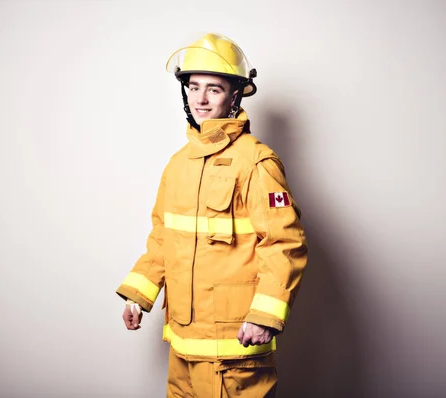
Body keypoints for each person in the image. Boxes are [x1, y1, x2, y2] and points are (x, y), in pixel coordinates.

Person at [116, 32, 308, 397]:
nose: (200, 99)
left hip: (235, 348)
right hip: (184, 346)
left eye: (214, 89)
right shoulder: (178, 164)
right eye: (193, 87)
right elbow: (163, 238)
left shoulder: (256, 161)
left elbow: (285, 244)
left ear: (235, 94)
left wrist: (265, 316)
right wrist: (139, 295)